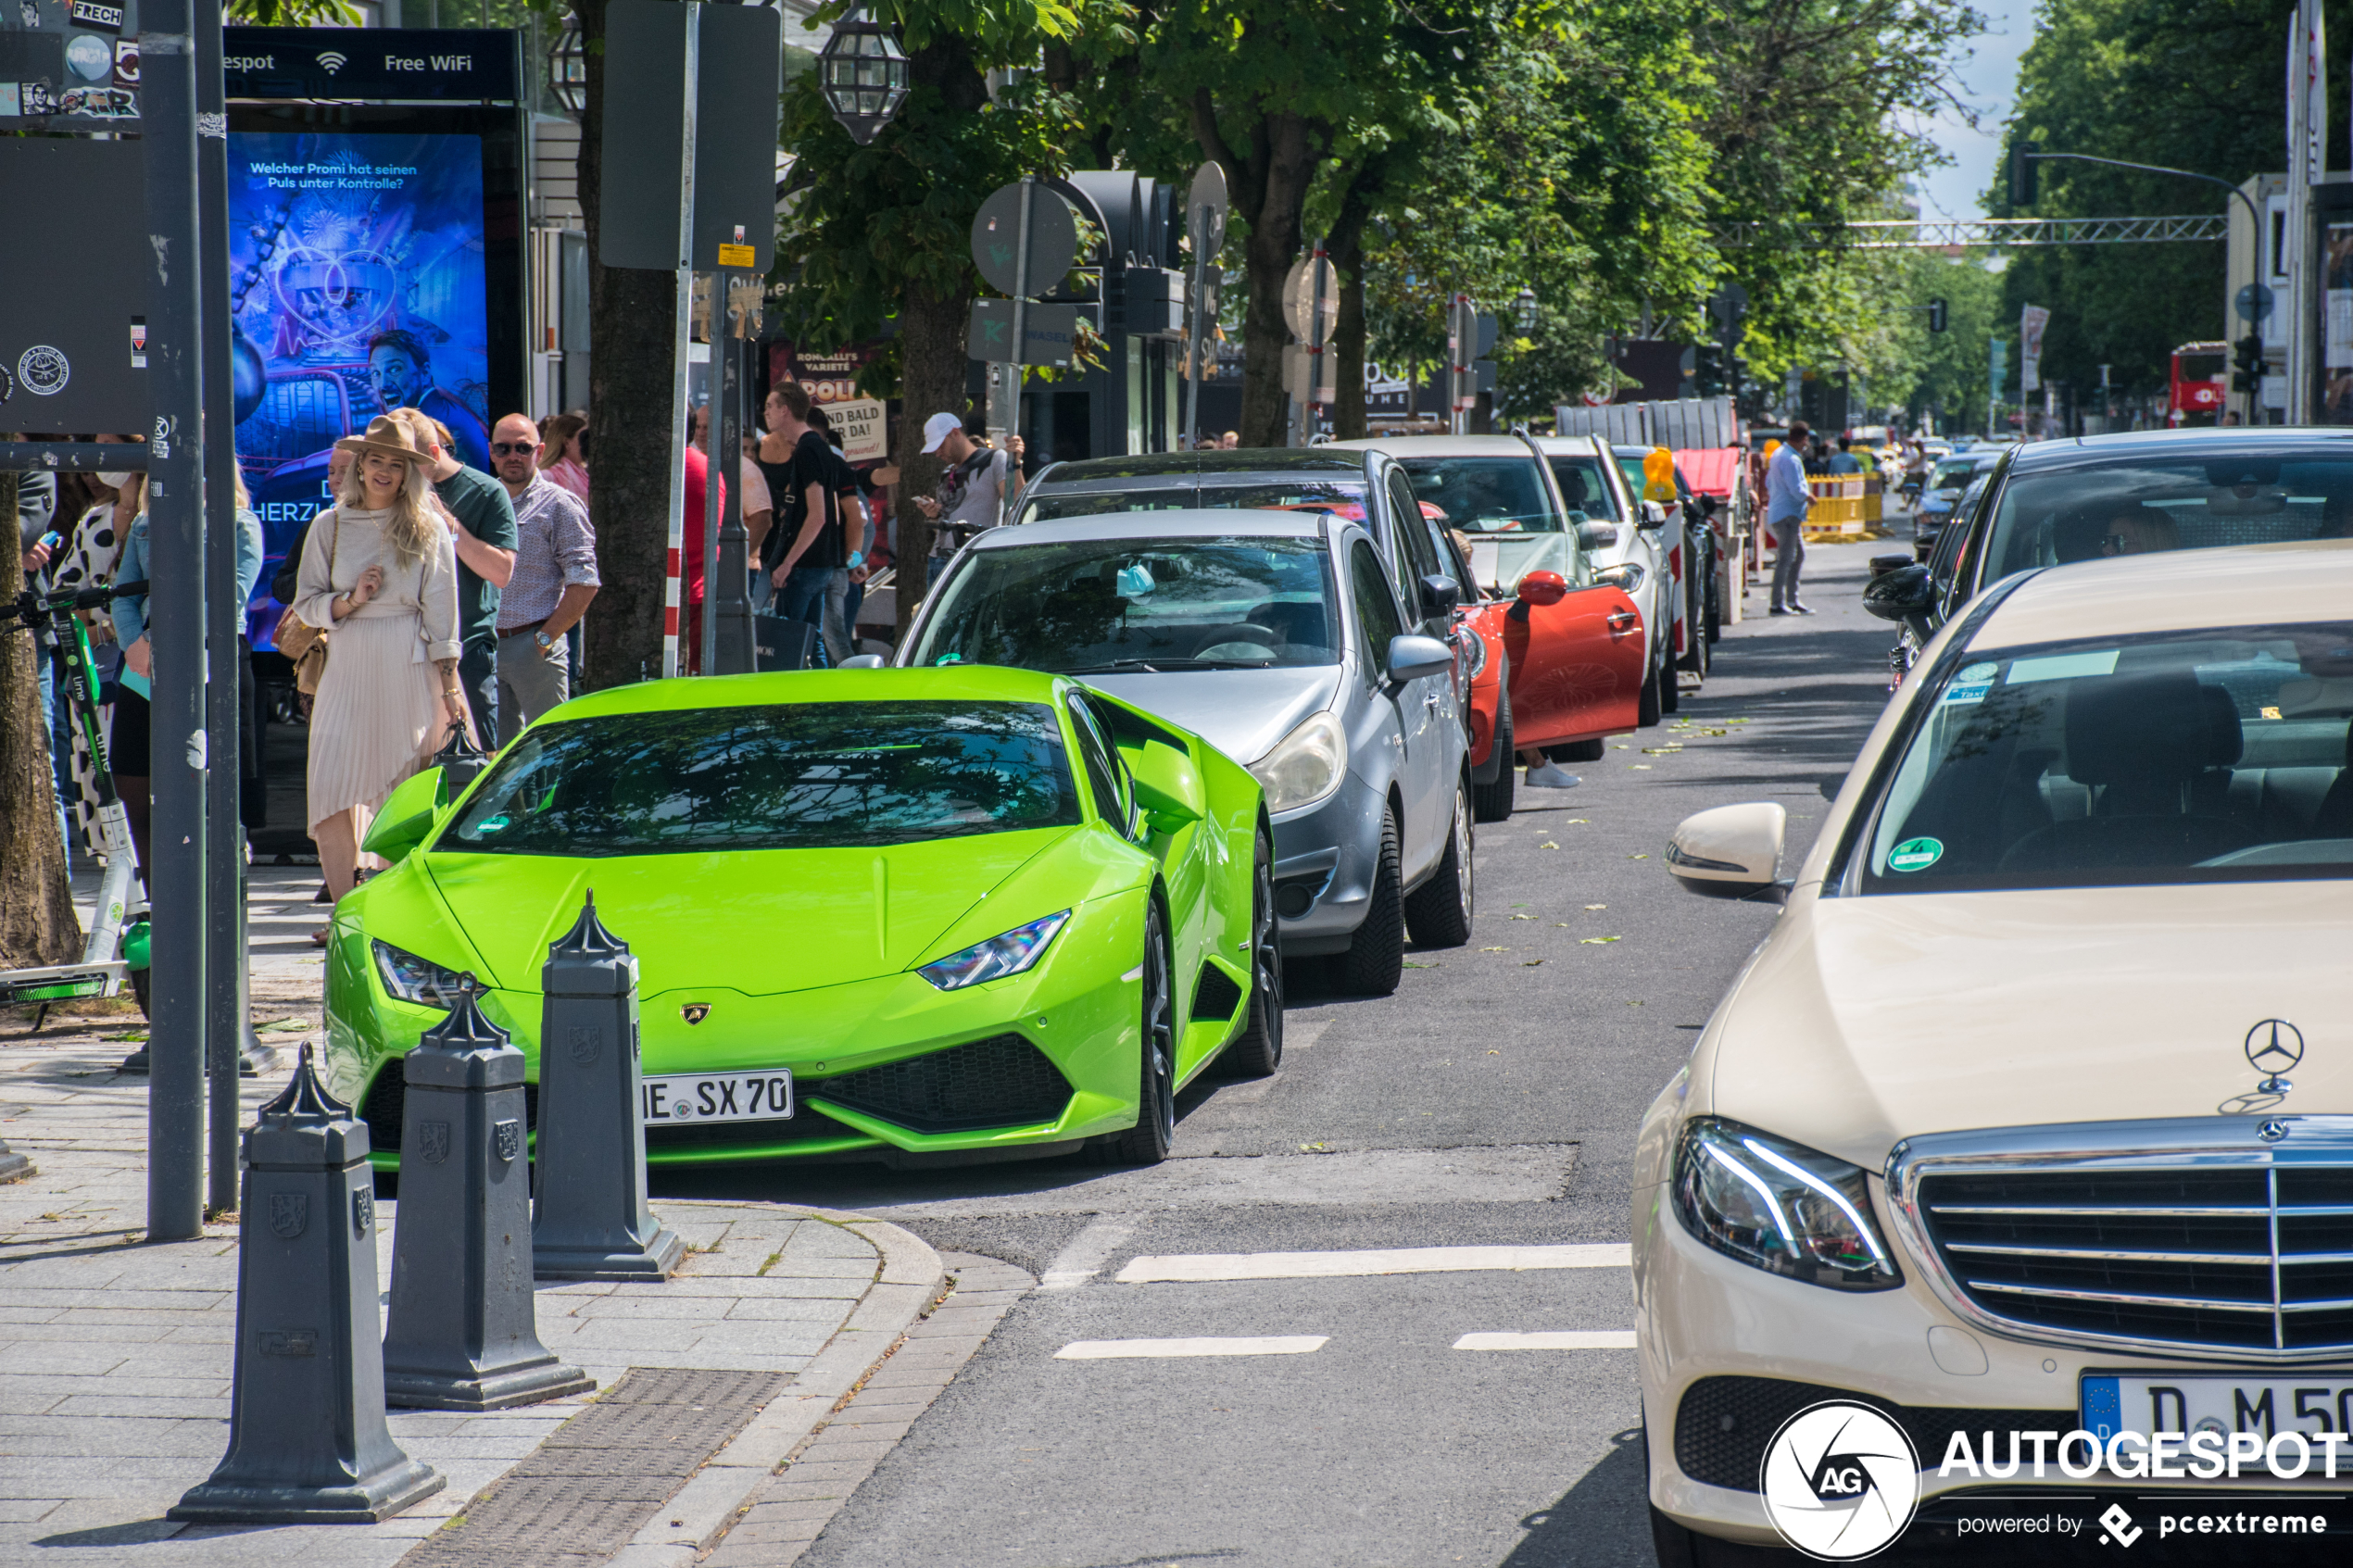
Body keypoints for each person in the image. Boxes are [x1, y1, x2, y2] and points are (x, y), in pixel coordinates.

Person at [291, 415, 466, 941]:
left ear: (410, 471)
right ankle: (347, 914)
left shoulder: (428, 526)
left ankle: (388, 913)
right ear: (359, 465)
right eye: (376, 460)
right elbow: (306, 604)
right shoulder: (330, 525)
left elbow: (443, 613)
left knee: (403, 792)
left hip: (407, 663)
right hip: (347, 661)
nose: (385, 471)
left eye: (397, 463)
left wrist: (451, 686)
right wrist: (351, 600)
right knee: (330, 790)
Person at [393, 408, 517, 745]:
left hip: (467, 651)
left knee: (478, 761)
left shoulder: (486, 492)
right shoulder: (394, 492)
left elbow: (501, 572)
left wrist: (450, 525)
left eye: (405, 463)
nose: (397, 473)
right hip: (405, 652)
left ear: (433, 453)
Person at [487, 414, 600, 743]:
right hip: (484, 647)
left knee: (550, 752)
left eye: (522, 448)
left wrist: (544, 640)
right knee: (494, 762)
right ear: (492, 452)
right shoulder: (480, 504)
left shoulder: (560, 505)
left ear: (539, 450)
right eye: (503, 448)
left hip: (533, 644)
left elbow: (585, 582)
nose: (513, 456)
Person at [756, 384, 855, 661]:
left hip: (804, 565)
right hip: (821, 563)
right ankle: (825, 696)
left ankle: (787, 701)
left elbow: (818, 515)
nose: (766, 413)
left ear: (785, 410)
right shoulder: (819, 448)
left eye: (770, 406)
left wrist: (787, 563)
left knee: (786, 644)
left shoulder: (807, 450)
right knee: (812, 641)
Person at [368, 331, 492, 471]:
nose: (383, 385)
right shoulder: (432, 410)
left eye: (395, 369)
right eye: (376, 373)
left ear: (425, 373)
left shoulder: (440, 427)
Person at [912, 412, 1012, 567]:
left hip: (975, 558)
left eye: (940, 445)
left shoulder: (995, 459)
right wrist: (933, 515)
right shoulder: (947, 472)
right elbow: (945, 525)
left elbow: (1016, 502)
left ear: (955, 433)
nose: (937, 453)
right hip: (939, 559)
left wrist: (1016, 465)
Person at [1765, 420, 1812, 615]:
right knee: (1786, 558)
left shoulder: (1778, 455)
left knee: (1797, 556)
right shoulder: (1791, 459)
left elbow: (1769, 482)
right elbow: (1796, 489)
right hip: (1788, 514)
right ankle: (1777, 603)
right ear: (1804, 439)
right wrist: (1809, 497)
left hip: (1782, 511)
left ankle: (1792, 600)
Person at [540, 410, 591, 503]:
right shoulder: (547, 476)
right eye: (583, 438)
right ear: (567, 442)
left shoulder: (584, 474)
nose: (587, 443)